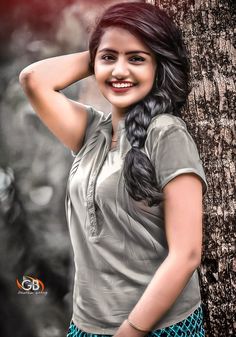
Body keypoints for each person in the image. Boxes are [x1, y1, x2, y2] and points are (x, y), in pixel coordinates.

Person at [19, 2, 208, 337]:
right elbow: (34, 79)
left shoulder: (166, 133)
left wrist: (131, 330)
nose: (120, 71)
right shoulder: (91, 132)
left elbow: (187, 252)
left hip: (157, 327)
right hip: (86, 325)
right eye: (109, 58)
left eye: (137, 58)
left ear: (158, 65)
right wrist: (105, 46)